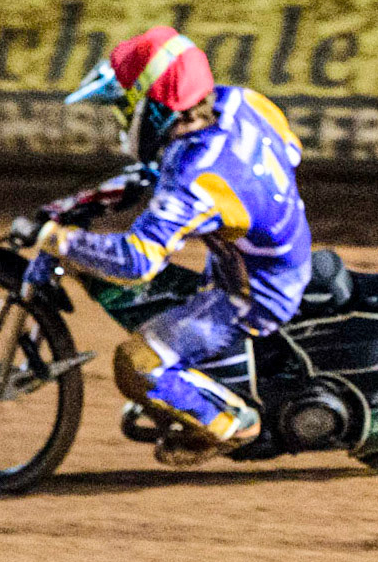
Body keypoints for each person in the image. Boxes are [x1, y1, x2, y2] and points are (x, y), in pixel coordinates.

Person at [31, 27, 313, 465]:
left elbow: (135, 261)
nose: (121, 121)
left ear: (151, 105)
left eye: (124, 108)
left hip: (250, 296)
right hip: (279, 253)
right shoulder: (241, 101)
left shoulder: (195, 177)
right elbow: (291, 151)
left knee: (135, 363)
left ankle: (230, 425)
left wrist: (53, 238)